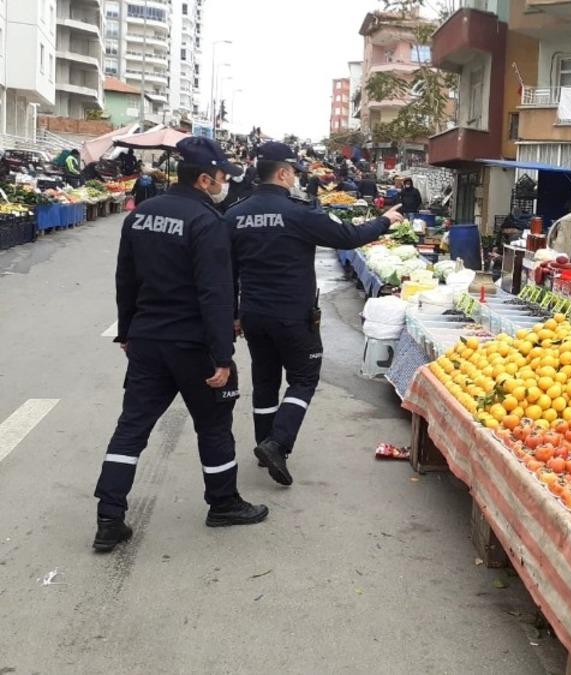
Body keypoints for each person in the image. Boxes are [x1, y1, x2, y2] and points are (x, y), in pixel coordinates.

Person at [93, 137, 268, 552]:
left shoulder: (140, 216)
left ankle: (108, 517)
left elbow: (126, 279)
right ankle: (223, 503)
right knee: (213, 425)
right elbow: (215, 293)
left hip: (148, 342)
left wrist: (127, 331)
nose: (224, 183)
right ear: (204, 178)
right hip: (193, 346)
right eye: (222, 176)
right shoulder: (208, 222)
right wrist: (222, 355)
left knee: (131, 428)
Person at [227, 142, 407, 486]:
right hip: (293, 316)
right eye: (293, 172)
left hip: (253, 315)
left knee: (265, 381)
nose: (295, 178)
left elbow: (226, 270)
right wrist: (385, 220)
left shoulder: (236, 213)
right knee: (304, 378)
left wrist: (233, 314)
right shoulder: (299, 212)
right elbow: (347, 237)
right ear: (282, 173)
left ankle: (264, 443)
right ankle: (278, 444)